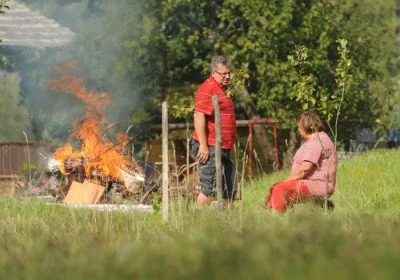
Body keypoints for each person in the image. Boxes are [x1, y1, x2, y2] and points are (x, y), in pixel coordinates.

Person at [265, 111, 338, 212]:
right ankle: (281, 216)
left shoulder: (317, 141)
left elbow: (306, 167)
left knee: (279, 189)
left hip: (317, 185)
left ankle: (276, 220)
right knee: (276, 187)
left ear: (305, 127)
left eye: (299, 127)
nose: (298, 130)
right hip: (312, 183)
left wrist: (286, 181)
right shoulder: (319, 139)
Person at [190, 55, 237, 207]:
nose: (227, 76)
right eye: (224, 74)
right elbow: (198, 114)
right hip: (210, 146)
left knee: (229, 188)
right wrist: (203, 146)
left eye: (229, 73)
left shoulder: (222, 88)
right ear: (214, 72)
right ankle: (196, 223)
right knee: (209, 188)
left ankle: (229, 224)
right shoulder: (208, 87)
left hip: (223, 146)